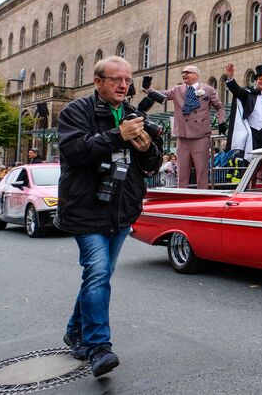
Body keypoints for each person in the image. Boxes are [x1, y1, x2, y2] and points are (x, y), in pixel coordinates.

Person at [55, 56, 162, 377]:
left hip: (122, 210)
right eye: (116, 79)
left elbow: (151, 165)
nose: (123, 85)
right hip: (87, 209)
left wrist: (146, 149)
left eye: (127, 80)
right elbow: (74, 152)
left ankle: (75, 332)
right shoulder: (75, 111)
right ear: (98, 81)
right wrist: (118, 135)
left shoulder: (133, 114)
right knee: (99, 272)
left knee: (98, 276)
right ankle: (99, 347)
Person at [144, 65, 224, 189]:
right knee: (182, 172)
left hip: (201, 136)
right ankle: (182, 197)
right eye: (183, 72)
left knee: (201, 171)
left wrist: (221, 122)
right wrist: (148, 88)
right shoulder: (177, 90)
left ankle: (202, 199)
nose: (184, 74)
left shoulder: (207, 90)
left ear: (196, 75)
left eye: (188, 72)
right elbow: (161, 95)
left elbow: (219, 107)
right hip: (183, 136)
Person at [224, 64, 262, 159]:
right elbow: (237, 90)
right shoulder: (248, 94)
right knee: (252, 160)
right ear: (256, 81)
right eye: (260, 79)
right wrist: (230, 77)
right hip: (253, 134)